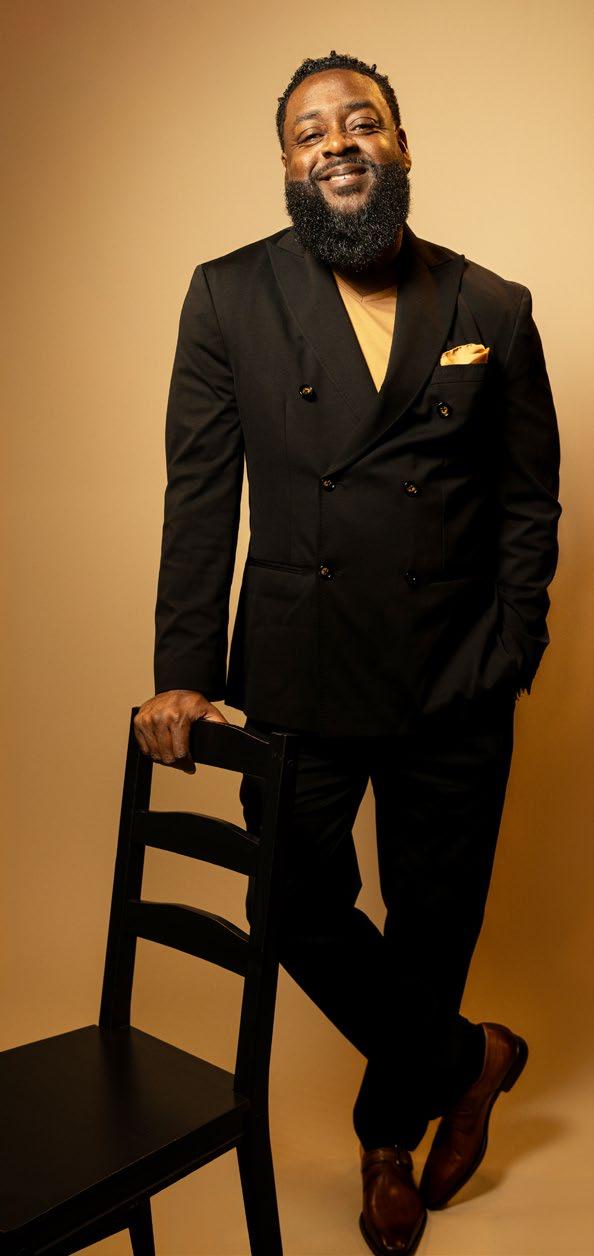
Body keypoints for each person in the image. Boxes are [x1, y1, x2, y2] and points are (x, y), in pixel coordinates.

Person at [133, 50, 561, 1256]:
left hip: (455, 675)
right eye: (310, 129)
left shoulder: (491, 305)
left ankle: (385, 1139)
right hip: (299, 668)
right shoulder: (227, 296)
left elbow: (528, 501)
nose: (337, 141)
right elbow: (201, 492)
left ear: (400, 146)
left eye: (360, 121)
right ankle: (471, 1058)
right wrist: (184, 668)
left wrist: (511, 642)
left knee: (434, 921)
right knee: (291, 900)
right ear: (287, 164)